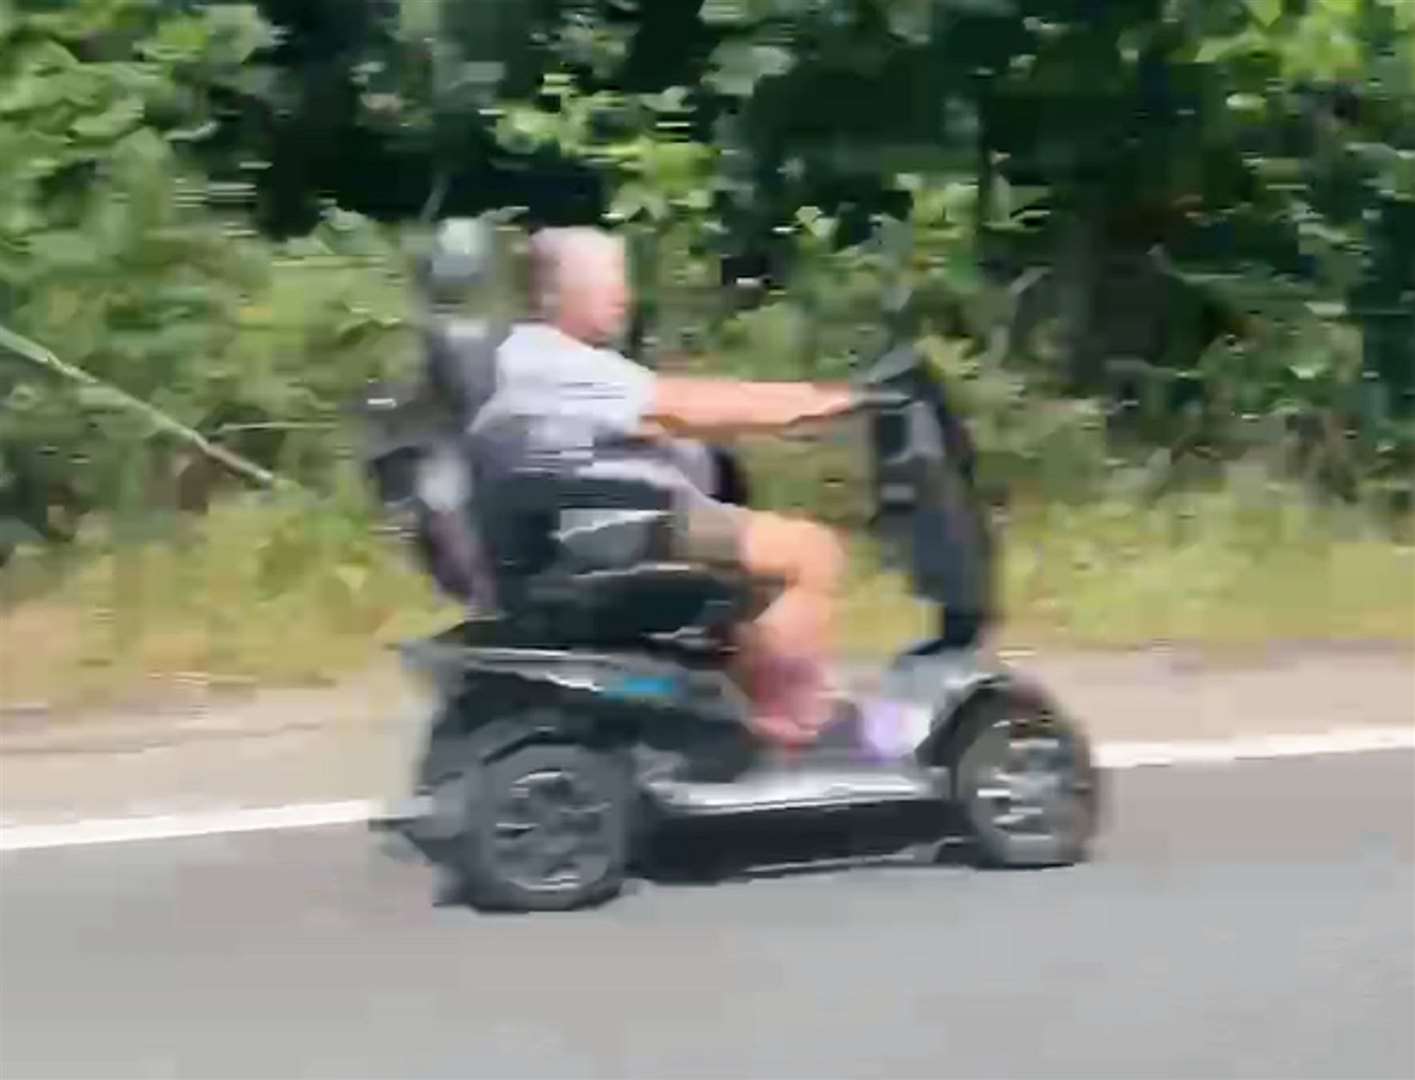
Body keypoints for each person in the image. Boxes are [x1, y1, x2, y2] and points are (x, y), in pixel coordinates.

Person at [470, 226, 858, 747]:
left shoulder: (554, 360)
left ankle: (739, 710)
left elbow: (664, 421)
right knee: (811, 552)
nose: (624, 296)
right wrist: (814, 401)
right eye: (610, 281)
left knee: (757, 570)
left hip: (606, 524)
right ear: (555, 293)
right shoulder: (549, 359)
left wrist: (770, 417)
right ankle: (788, 722)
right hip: (618, 529)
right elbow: (681, 405)